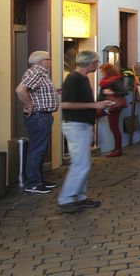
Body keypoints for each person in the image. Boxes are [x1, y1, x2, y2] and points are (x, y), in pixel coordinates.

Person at [59, 51, 116, 213]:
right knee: (80, 164)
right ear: (89, 63)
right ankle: (66, 198)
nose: (98, 65)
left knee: (83, 163)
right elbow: (66, 105)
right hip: (75, 125)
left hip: (83, 125)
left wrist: (100, 105)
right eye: (96, 62)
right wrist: (94, 106)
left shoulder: (83, 79)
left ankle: (80, 197)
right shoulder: (73, 79)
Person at [15, 51, 60, 195]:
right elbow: (20, 90)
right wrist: (29, 105)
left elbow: (38, 91)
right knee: (37, 150)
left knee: (40, 149)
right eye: (48, 59)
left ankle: (39, 180)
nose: (50, 61)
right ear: (41, 61)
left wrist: (54, 91)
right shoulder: (36, 72)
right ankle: (33, 183)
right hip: (39, 116)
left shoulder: (40, 73)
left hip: (43, 116)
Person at [97, 63, 126, 157]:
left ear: (108, 71)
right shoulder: (104, 81)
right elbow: (101, 94)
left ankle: (118, 149)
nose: (102, 73)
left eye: (103, 71)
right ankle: (118, 148)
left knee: (114, 127)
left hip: (114, 106)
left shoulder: (116, 79)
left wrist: (111, 92)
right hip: (107, 105)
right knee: (113, 127)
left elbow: (123, 92)